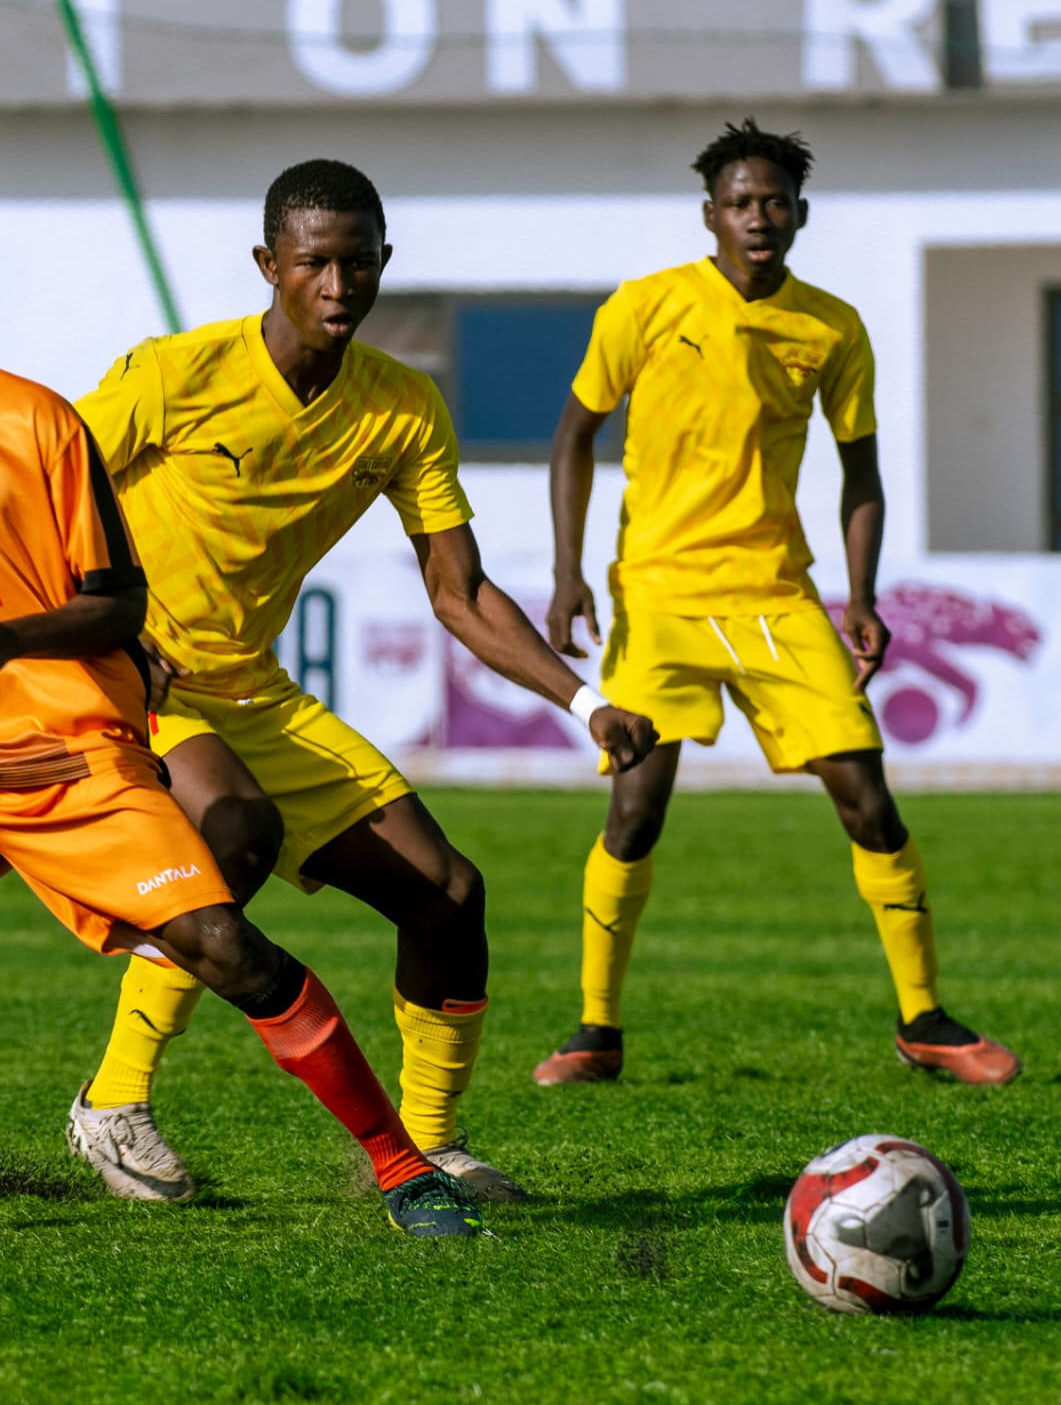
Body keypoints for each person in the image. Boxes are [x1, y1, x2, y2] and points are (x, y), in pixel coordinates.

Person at [0, 192, 486, 1237]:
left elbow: (119, 602)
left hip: (71, 750)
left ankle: (403, 1167)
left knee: (231, 944)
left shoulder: (30, 420)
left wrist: (7, 640)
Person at [61, 159, 659, 1205]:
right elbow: (37, 487)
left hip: (252, 691)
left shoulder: (401, 409)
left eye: (358, 263)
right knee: (232, 833)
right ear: (268, 266)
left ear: (383, 262)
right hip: (134, 679)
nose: (339, 287)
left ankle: (429, 1145)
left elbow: (459, 590)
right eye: (314, 265)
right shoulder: (173, 375)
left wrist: (583, 702)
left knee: (447, 894)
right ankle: (112, 1104)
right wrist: (99, 623)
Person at [536, 119, 1018, 1088]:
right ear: (710, 214)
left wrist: (865, 593)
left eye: (775, 203)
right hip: (661, 593)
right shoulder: (645, 307)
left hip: (776, 595)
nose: (759, 218)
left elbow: (862, 472)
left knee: (867, 797)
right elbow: (571, 436)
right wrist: (566, 572)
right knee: (636, 810)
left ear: (799, 214)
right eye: (741, 203)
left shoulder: (830, 327)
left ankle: (923, 1018)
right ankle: (595, 1031)